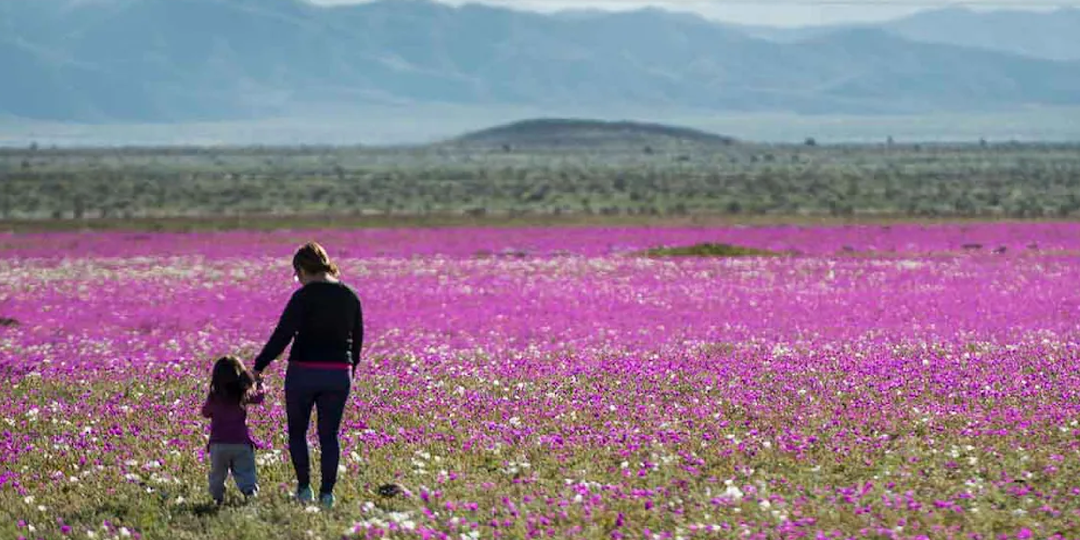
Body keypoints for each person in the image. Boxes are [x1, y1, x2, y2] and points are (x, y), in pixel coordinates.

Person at [252, 242, 363, 509]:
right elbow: (357, 339)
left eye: (297, 274)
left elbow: (283, 335)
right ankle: (327, 495)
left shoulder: (302, 297)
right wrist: (351, 369)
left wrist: (259, 365)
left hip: (303, 371)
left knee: (298, 432)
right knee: (329, 435)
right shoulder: (350, 295)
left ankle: (304, 490)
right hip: (339, 373)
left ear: (302, 269)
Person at [201, 355, 265, 505]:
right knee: (246, 472)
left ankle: (217, 498)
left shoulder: (215, 397)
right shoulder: (242, 395)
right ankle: (250, 493)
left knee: (217, 474)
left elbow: (205, 412)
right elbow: (260, 397)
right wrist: (260, 383)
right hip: (241, 444)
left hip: (218, 445)